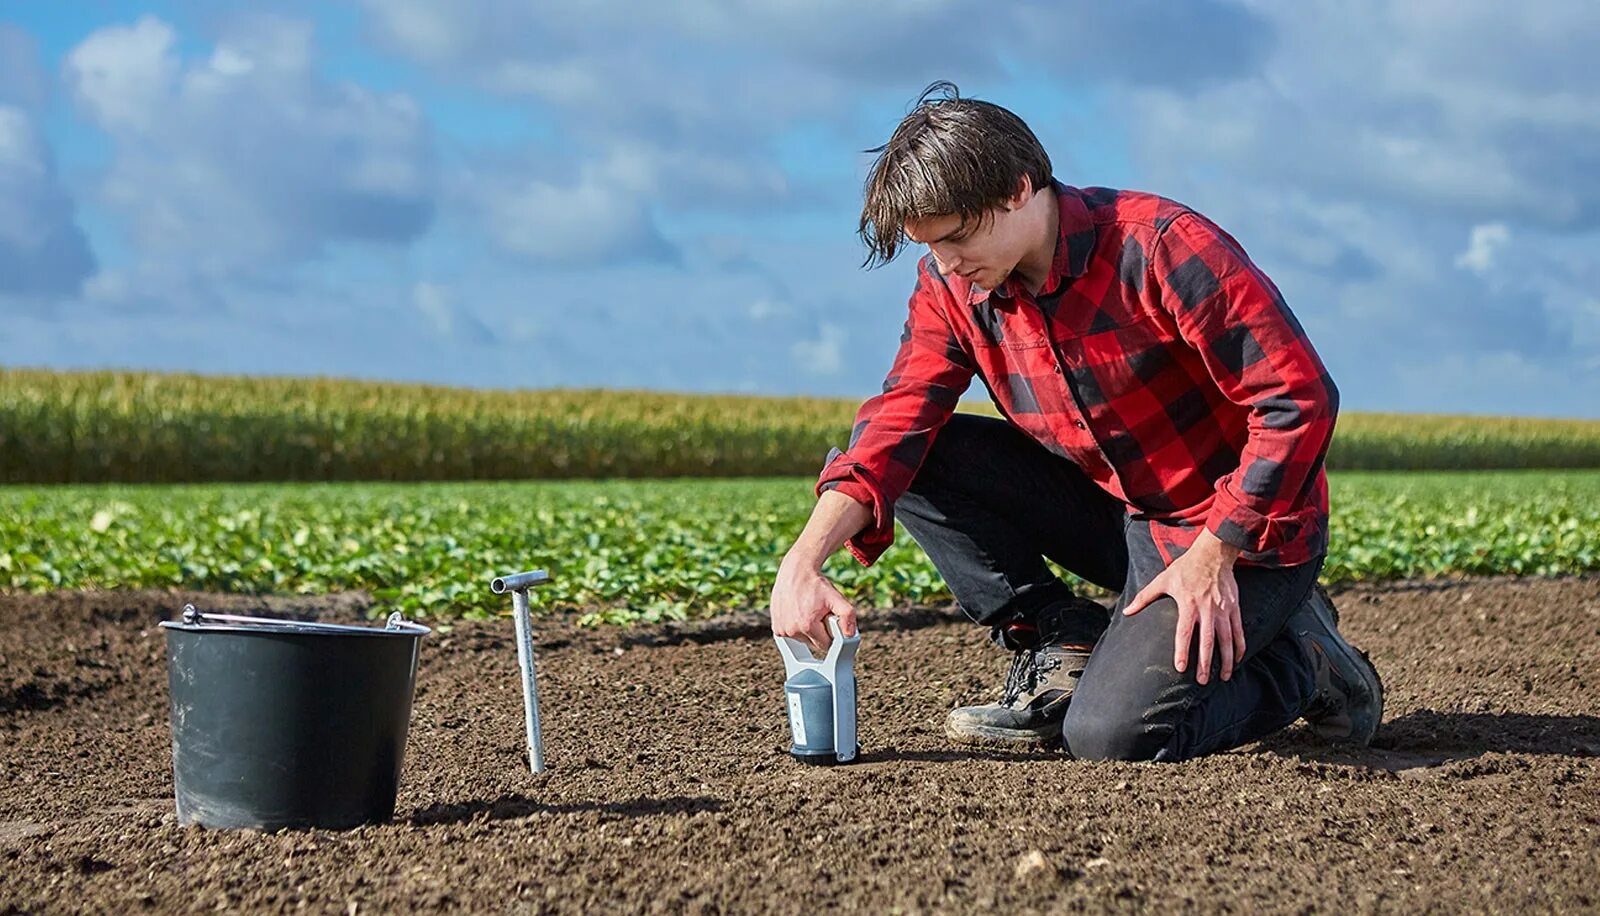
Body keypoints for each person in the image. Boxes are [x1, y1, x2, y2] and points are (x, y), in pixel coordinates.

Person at [768, 82, 1383, 762]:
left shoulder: (1160, 249)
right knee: (917, 452)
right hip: (1123, 514)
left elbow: (1298, 400)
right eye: (929, 246)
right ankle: (1064, 637)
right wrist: (802, 562)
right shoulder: (954, 287)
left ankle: (1307, 663)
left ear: (1018, 189)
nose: (945, 265)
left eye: (957, 238)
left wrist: (1216, 554)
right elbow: (894, 425)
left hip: (1241, 534)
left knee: (1114, 736)